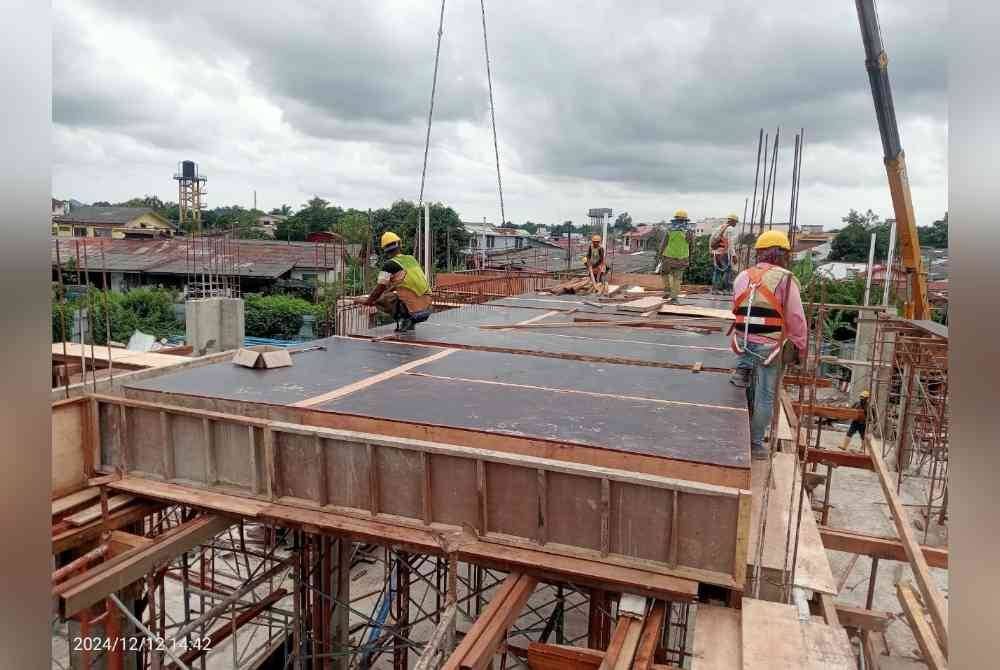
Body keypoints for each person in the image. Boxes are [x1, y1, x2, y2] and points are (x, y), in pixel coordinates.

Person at [729, 230, 807, 459]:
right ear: (781, 254)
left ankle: (743, 366)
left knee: (749, 388)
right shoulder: (786, 278)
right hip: (769, 347)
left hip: (742, 342)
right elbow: (796, 318)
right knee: (765, 395)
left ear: (760, 252)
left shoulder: (742, 276)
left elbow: (736, 309)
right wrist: (801, 348)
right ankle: (754, 443)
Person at [357, 232, 433, 332]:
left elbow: (379, 288)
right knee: (400, 294)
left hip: (415, 311)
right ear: (399, 244)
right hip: (428, 306)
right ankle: (409, 320)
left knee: (381, 298)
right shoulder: (411, 259)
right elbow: (404, 282)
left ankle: (406, 319)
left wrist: (369, 301)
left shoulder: (389, 265)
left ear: (385, 249)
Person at [656, 209, 694, 303]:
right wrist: (690, 258)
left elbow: (663, 244)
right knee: (678, 278)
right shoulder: (689, 231)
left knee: (665, 274)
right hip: (682, 258)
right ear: (686, 220)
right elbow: (691, 245)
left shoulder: (670, 230)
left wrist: (660, 255)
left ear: (675, 219)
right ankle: (674, 297)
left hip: (668, 257)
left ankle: (667, 290)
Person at [710, 214, 738, 293]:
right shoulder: (730, 229)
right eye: (735, 222)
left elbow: (711, 239)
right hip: (724, 253)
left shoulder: (719, 227)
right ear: (732, 221)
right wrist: (734, 255)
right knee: (727, 271)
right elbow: (730, 243)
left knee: (717, 271)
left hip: (716, 253)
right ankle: (725, 289)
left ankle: (715, 289)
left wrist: (711, 251)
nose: (735, 224)